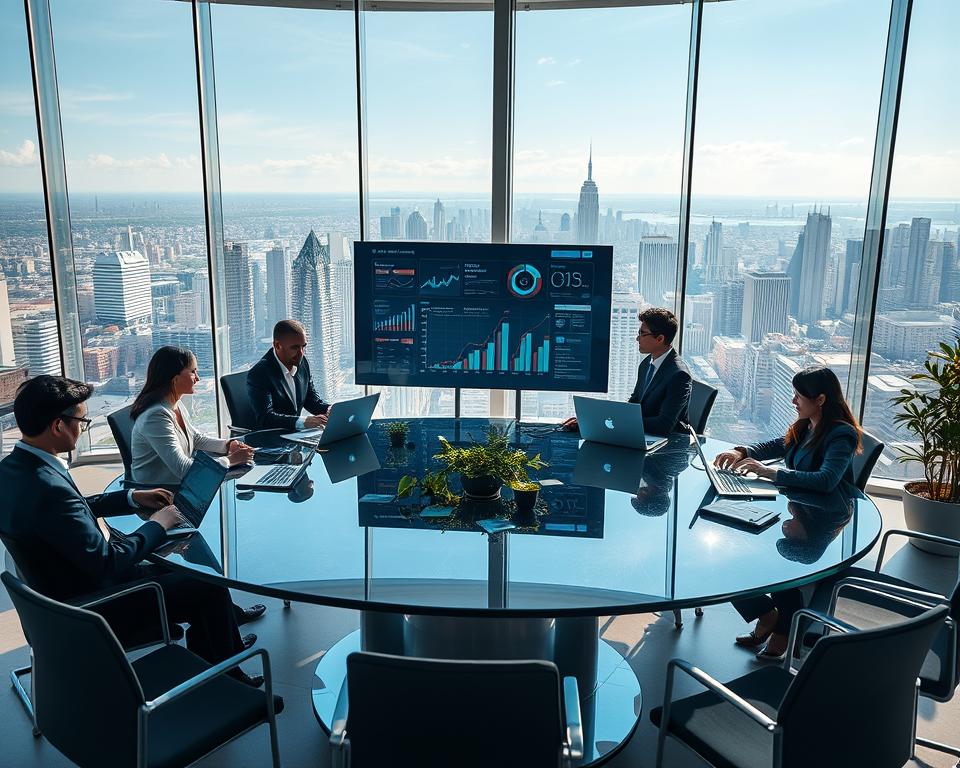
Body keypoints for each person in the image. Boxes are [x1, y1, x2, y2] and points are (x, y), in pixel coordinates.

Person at [0, 376, 275, 695]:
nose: (83, 427)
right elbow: (106, 564)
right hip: (97, 608)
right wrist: (159, 524)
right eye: (82, 420)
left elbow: (65, 512)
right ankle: (224, 680)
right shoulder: (48, 488)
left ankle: (224, 644)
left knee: (180, 569)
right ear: (59, 425)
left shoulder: (14, 470)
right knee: (204, 585)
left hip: (62, 594)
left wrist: (131, 498)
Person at [715, 365, 863, 659]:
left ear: (820, 399)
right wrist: (743, 453)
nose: (793, 401)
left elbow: (826, 480)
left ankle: (783, 632)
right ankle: (767, 615)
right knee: (728, 555)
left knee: (778, 565)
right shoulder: (807, 424)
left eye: (798, 396)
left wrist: (771, 474)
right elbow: (777, 445)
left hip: (822, 520)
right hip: (799, 510)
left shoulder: (840, 434)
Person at [130, 346, 255, 484]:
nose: (198, 378)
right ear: (175, 378)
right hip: (160, 495)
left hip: (182, 485)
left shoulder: (175, 404)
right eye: (193, 371)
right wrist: (231, 460)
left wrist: (228, 445)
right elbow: (183, 469)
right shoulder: (155, 417)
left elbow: (195, 438)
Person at [563, 307, 692, 436]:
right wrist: (593, 420)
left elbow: (663, 425)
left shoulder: (679, 375)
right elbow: (635, 402)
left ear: (660, 339)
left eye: (642, 333)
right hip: (644, 434)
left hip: (670, 445)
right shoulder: (647, 363)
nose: (637, 338)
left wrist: (618, 422)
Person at [247, 319, 331, 431]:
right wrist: (304, 421)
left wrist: (330, 410)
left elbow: (310, 400)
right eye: (295, 347)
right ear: (277, 345)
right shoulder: (259, 374)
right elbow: (266, 418)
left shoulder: (302, 363)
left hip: (295, 436)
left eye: (303, 346)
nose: (301, 353)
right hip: (272, 439)